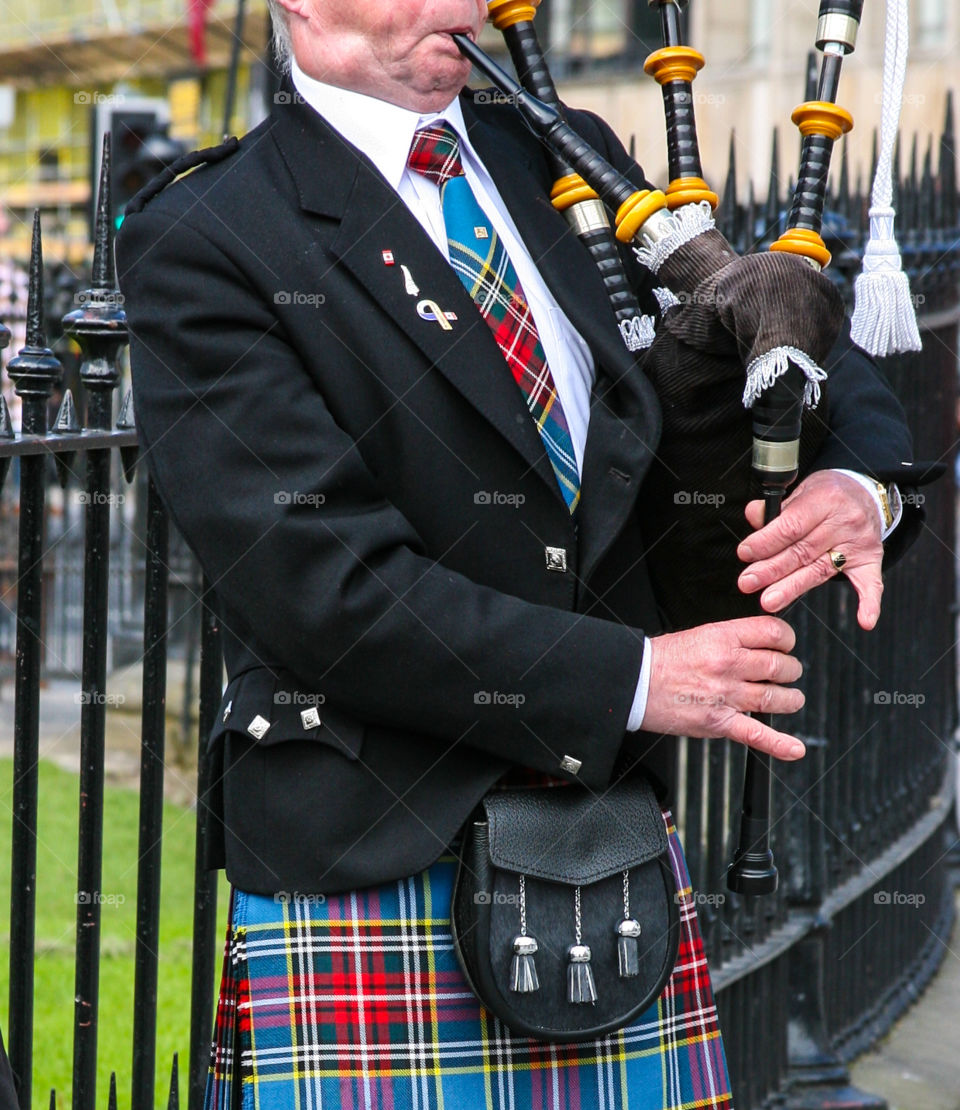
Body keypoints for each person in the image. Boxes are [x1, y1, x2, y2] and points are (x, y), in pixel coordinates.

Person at [115, 1, 929, 1106]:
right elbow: (318, 582)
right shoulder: (212, 232)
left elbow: (775, 323)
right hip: (379, 852)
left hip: (607, 848)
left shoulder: (565, 160)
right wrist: (641, 679)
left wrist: (859, 486)